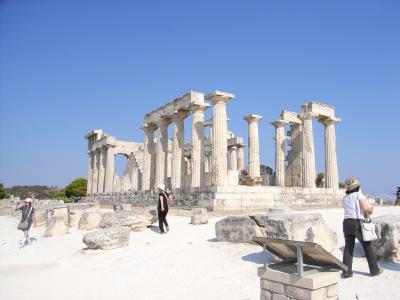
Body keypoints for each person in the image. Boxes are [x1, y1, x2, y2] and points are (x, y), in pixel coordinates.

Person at [342, 178, 383, 278]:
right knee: (367, 245)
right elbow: (365, 209)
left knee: (348, 247)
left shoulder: (345, 198)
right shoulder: (359, 195)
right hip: (357, 222)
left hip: (346, 222)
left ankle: (347, 272)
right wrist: (371, 209)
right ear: (357, 187)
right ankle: (374, 270)